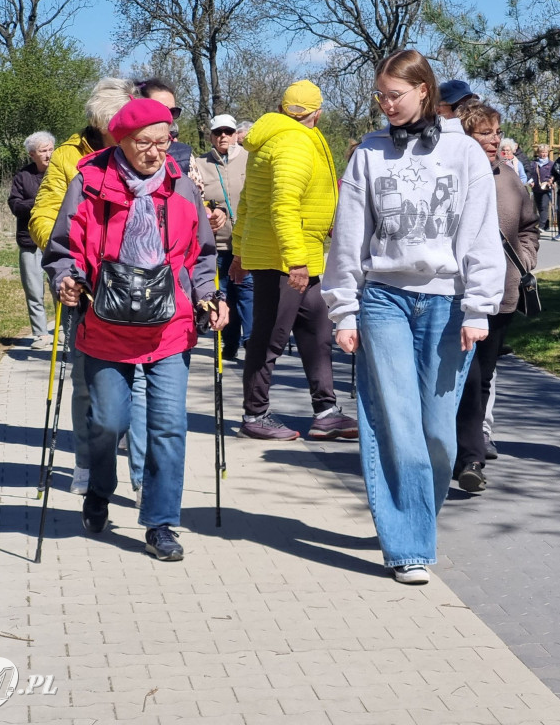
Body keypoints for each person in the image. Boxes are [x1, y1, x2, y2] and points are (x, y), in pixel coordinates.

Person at [322, 49, 505, 584]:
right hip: (385, 301)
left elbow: (480, 234)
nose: (385, 105)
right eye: (379, 96)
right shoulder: (370, 154)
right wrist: (344, 310)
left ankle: (415, 513)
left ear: (424, 91)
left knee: (438, 435)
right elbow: (349, 239)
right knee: (397, 425)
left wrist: (478, 306)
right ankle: (408, 548)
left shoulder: (466, 153)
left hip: (447, 304)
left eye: (394, 95)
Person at [43, 98, 229, 561]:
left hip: (170, 324)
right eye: (142, 143)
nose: (153, 152)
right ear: (119, 140)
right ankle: (99, 489)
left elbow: (201, 254)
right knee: (108, 422)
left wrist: (211, 295)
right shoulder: (89, 181)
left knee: (168, 427)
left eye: (161, 142)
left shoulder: (182, 188)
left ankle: (162, 523)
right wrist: (67, 278)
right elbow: (63, 246)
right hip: (106, 321)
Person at [229, 80, 358, 441]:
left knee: (318, 332)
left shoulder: (277, 137)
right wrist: (296, 262)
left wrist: (239, 251)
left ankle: (326, 411)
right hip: (285, 261)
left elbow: (249, 203)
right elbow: (282, 206)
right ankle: (255, 415)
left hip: (301, 257)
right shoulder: (293, 142)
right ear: (317, 112)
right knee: (269, 337)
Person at [29, 77, 138, 497]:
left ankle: (135, 462)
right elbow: (44, 216)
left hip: (139, 287)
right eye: (118, 128)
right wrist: (70, 260)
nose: (126, 135)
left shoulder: (144, 149)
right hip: (87, 286)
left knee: (140, 382)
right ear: (100, 125)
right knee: (83, 382)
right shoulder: (67, 157)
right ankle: (85, 464)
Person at [452, 101, 539, 491]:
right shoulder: (450, 173)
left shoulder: (509, 179)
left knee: (483, 376)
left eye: (497, 132)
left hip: (501, 292)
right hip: (454, 294)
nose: (494, 140)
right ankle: (467, 457)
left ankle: (470, 446)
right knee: (464, 378)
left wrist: (523, 259)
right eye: (484, 133)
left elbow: (529, 226)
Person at [198, 113, 252, 360]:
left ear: (234, 135)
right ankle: (229, 344)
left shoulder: (250, 160)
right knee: (225, 295)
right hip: (217, 244)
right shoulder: (200, 164)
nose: (223, 137)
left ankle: (252, 345)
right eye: (217, 132)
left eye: (228, 132)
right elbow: (195, 199)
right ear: (210, 135)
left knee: (248, 295)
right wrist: (207, 209)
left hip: (248, 243)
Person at [8, 131, 55, 350]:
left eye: (50, 149)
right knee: (34, 290)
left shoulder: (59, 173)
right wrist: (37, 203)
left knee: (59, 286)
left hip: (56, 240)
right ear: (32, 154)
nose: (48, 154)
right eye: (43, 151)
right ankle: (40, 334)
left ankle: (64, 330)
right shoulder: (22, 177)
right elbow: (15, 205)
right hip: (29, 241)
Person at [528, 144, 553, 231]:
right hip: (536, 188)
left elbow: (554, 175)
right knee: (539, 207)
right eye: (542, 152)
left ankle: (541, 226)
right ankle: (546, 225)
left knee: (544, 206)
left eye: (545, 152)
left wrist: (551, 181)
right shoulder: (533, 163)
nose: (543, 154)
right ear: (538, 153)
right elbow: (529, 173)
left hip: (546, 188)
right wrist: (530, 181)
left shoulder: (551, 164)